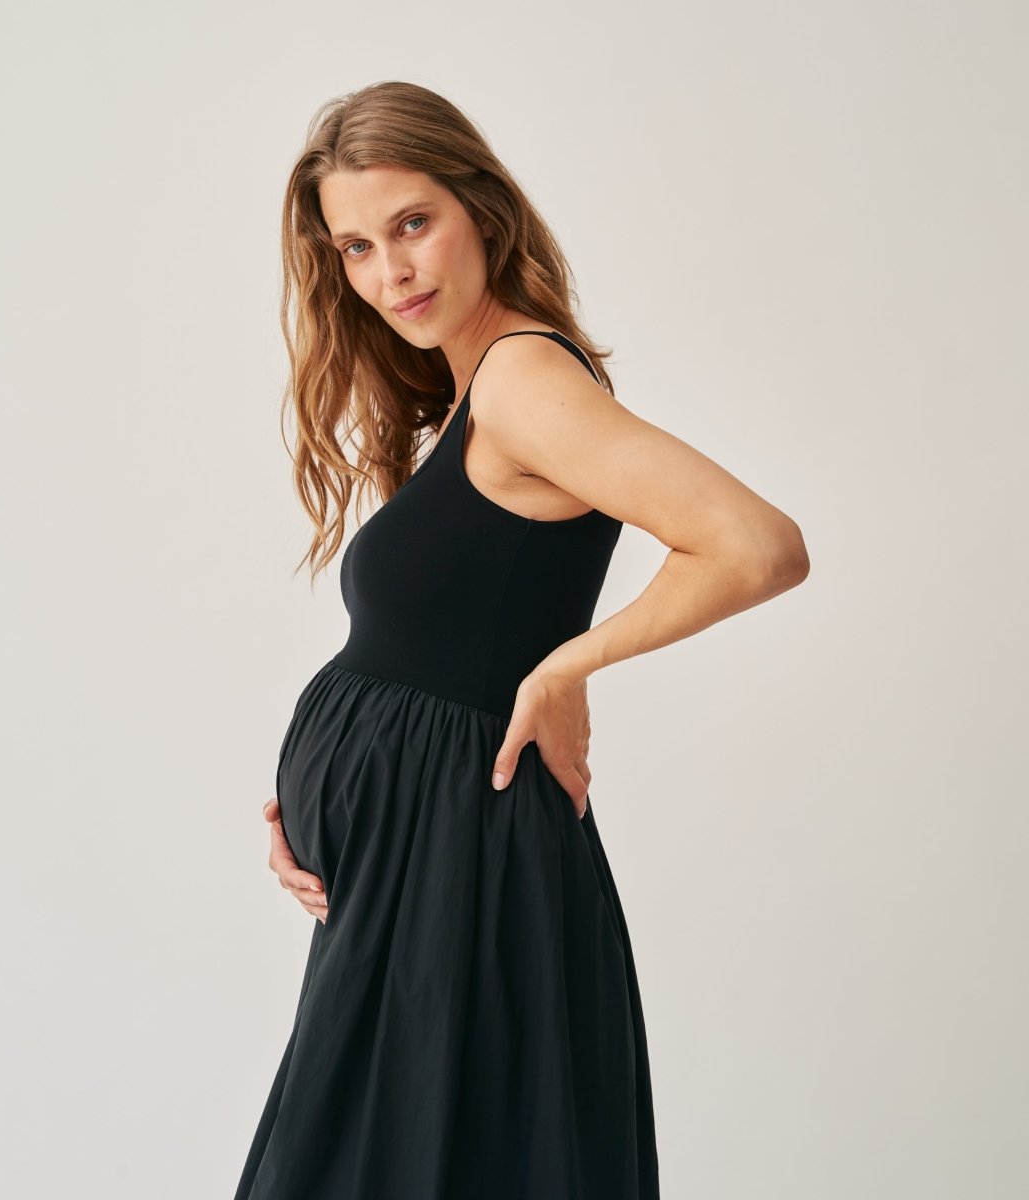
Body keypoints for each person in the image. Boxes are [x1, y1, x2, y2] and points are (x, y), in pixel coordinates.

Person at [235, 81, 810, 1200]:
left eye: (413, 223)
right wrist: (322, 807)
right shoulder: (472, 393)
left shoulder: (522, 382)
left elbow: (757, 546)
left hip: (462, 875)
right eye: (357, 248)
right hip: (416, 872)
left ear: (482, 208)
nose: (391, 272)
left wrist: (568, 665)